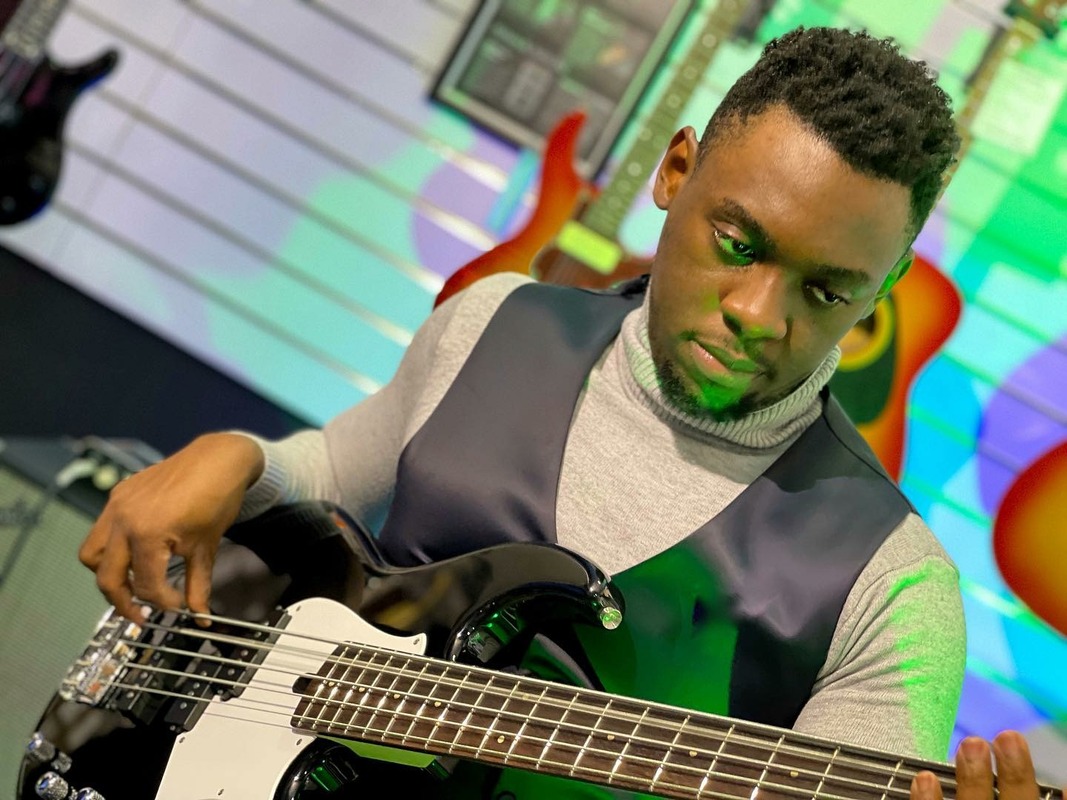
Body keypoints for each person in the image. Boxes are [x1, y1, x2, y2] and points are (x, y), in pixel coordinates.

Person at [78, 26, 1059, 799]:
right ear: (673, 171)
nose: (759, 315)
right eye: (736, 241)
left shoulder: (894, 592)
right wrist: (237, 458)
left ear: (886, 286)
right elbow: (335, 476)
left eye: (826, 291)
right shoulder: (492, 319)